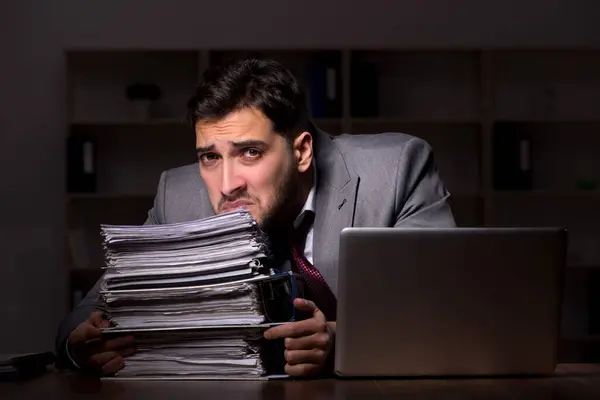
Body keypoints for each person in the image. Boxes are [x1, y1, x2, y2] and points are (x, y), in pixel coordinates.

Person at [55, 56, 456, 377]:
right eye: (210, 157)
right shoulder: (176, 196)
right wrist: (80, 345)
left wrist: (339, 340)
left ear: (301, 152)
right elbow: (85, 313)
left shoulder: (396, 171)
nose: (227, 184)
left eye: (250, 152)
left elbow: (449, 313)